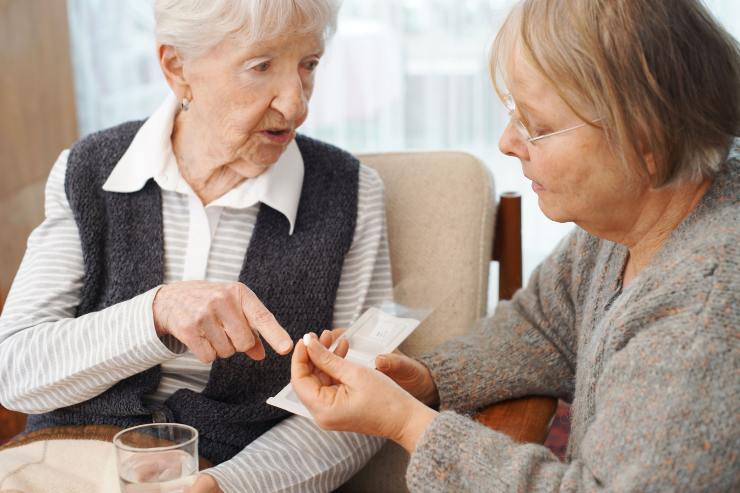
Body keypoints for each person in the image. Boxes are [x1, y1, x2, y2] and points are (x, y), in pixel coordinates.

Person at [291, 0, 740, 491]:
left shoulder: (703, 319)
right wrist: (429, 379)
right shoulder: (621, 225)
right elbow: (543, 325)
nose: (506, 141)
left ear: (646, 138)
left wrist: (408, 423)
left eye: (537, 126)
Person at [0, 1, 393, 492]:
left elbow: (360, 400)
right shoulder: (90, 170)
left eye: (308, 65)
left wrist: (231, 485)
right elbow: (13, 369)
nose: (296, 105)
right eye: (261, 66)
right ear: (177, 67)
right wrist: (157, 314)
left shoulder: (349, 193)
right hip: (62, 463)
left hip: (224, 472)